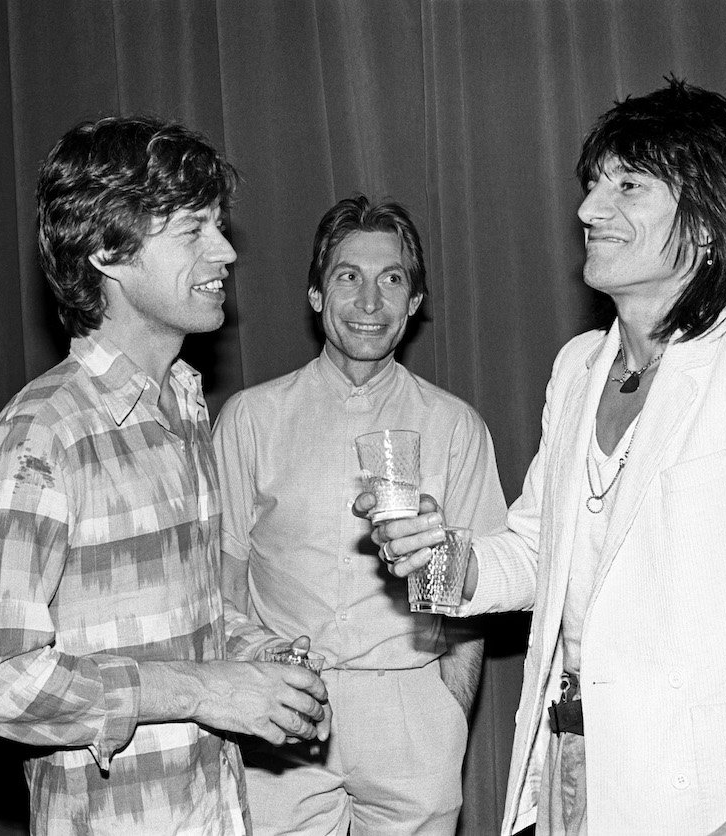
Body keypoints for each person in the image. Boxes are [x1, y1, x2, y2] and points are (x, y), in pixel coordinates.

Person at [364, 79, 726, 835]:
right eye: (592, 184)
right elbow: (540, 549)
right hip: (573, 782)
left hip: (716, 799)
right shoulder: (578, 368)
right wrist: (437, 560)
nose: (588, 209)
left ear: (708, 224)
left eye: (628, 185)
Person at [0, 116, 330, 835]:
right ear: (106, 252)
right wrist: (204, 691)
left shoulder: (183, 408)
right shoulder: (43, 434)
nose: (225, 252)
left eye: (219, 225)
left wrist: (256, 659)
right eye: (192, 230)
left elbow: (185, 625)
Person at [212, 194, 508, 834]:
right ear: (316, 295)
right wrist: (251, 691)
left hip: (409, 706)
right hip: (284, 706)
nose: (370, 303)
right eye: (349, 277)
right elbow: (225, 576)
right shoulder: (251, 419)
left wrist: (446, 707)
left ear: (416, 301)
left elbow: (477, 584)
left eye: (392, 280)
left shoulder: (454, 427)